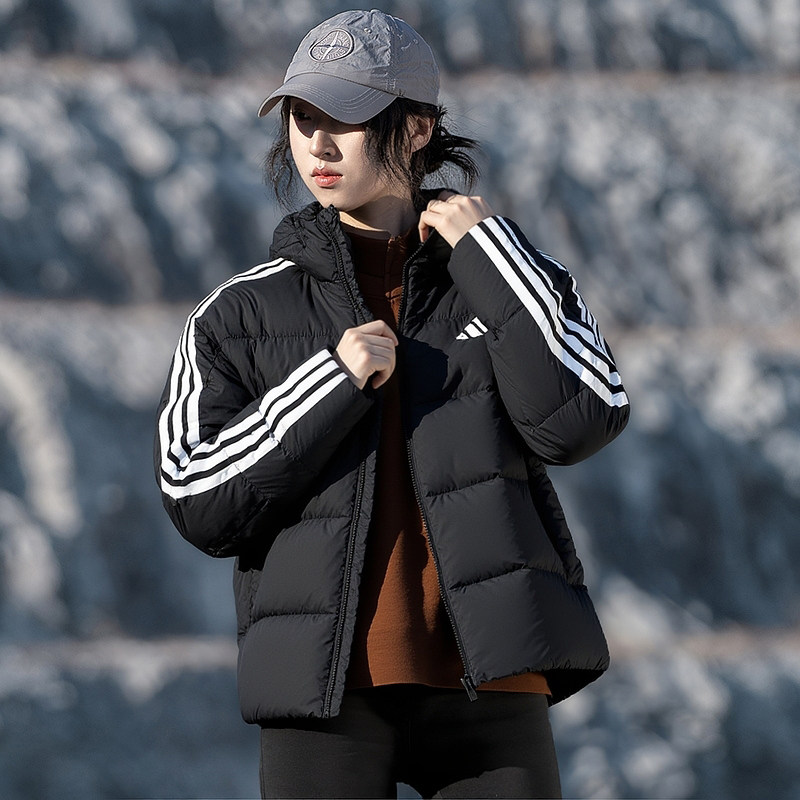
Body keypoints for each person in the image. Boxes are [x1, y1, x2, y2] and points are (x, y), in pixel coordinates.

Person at [155, 9, 630, 799]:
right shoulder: (238, 314)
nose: (318, 145)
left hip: (492, 687)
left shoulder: (508, 279)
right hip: (325, 696)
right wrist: (328, 383)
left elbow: (584, 417)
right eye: (303, 118)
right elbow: (196, 496)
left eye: (345, 118)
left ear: (416, 128)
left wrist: (494, 258)